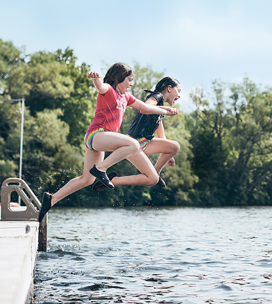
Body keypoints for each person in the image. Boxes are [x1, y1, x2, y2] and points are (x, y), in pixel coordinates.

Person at [38, 63, 177, 222]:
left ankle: (52, 199)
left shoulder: (126, 97)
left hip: (101, 141)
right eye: (129, 80)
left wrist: (166, 111)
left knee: (86, 179)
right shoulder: (109, 90)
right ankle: (101, 169)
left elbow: (145, 108)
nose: (131, 84)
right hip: (96, 134)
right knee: (133, 145)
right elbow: (100, 87)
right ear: (119, 78)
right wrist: (95, 79)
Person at [92, 76, 181, 190]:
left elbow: (160, 131)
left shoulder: (159, 106)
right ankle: (113, 180)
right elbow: (145, 108)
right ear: (169, 88)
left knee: (174, 148)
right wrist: (164, 109)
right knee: (151, 179)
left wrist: (169, 154)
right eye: (178, 91)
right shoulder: (157, 97)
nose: (179, 95)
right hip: (133, 143)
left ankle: (155, 173)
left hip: (145, 142)